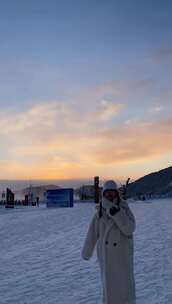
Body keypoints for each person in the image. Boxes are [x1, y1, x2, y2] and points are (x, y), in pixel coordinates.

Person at [81, 180, 136, 304]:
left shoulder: (124, 209)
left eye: (112, 192)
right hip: (107, 256)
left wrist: (117, 214)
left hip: (122, 255)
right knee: (110, 287)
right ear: (103, 195)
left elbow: (129, 229)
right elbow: (92, 234)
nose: (110, 195)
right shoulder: (99, 214)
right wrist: (86, 253)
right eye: (107, 193)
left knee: (124, 286)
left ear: (116, 193)